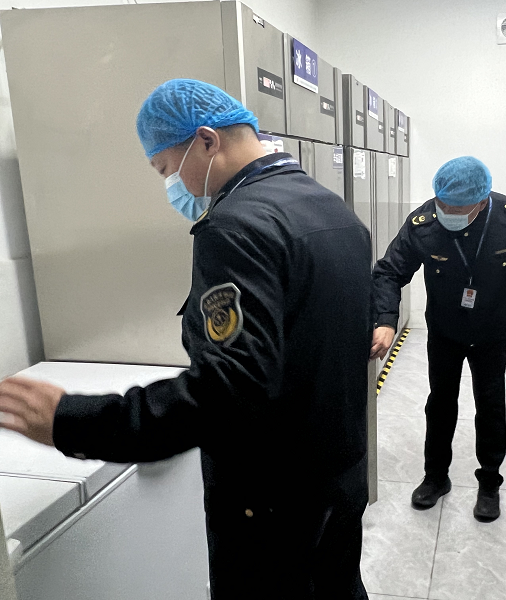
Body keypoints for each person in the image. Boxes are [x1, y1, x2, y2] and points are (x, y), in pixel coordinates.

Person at [0, 79, 373, 600]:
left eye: (165, 168)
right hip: (338, 474)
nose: (171, 185)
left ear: (206, 140)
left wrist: (75, 420)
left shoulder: (236, 226)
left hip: (271, 499)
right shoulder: (330, 208)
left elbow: (231, 392)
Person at [372, 156, 506, 522]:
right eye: (443, 204)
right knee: (440, 404)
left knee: (491, 405)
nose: (447, 213)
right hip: (445, 330)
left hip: (492, 330)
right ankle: (436, 477)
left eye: (457, 208)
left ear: (481, 202)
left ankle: (490, 483)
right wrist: (386, 319)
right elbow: (388, 271)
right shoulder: (423, 223)